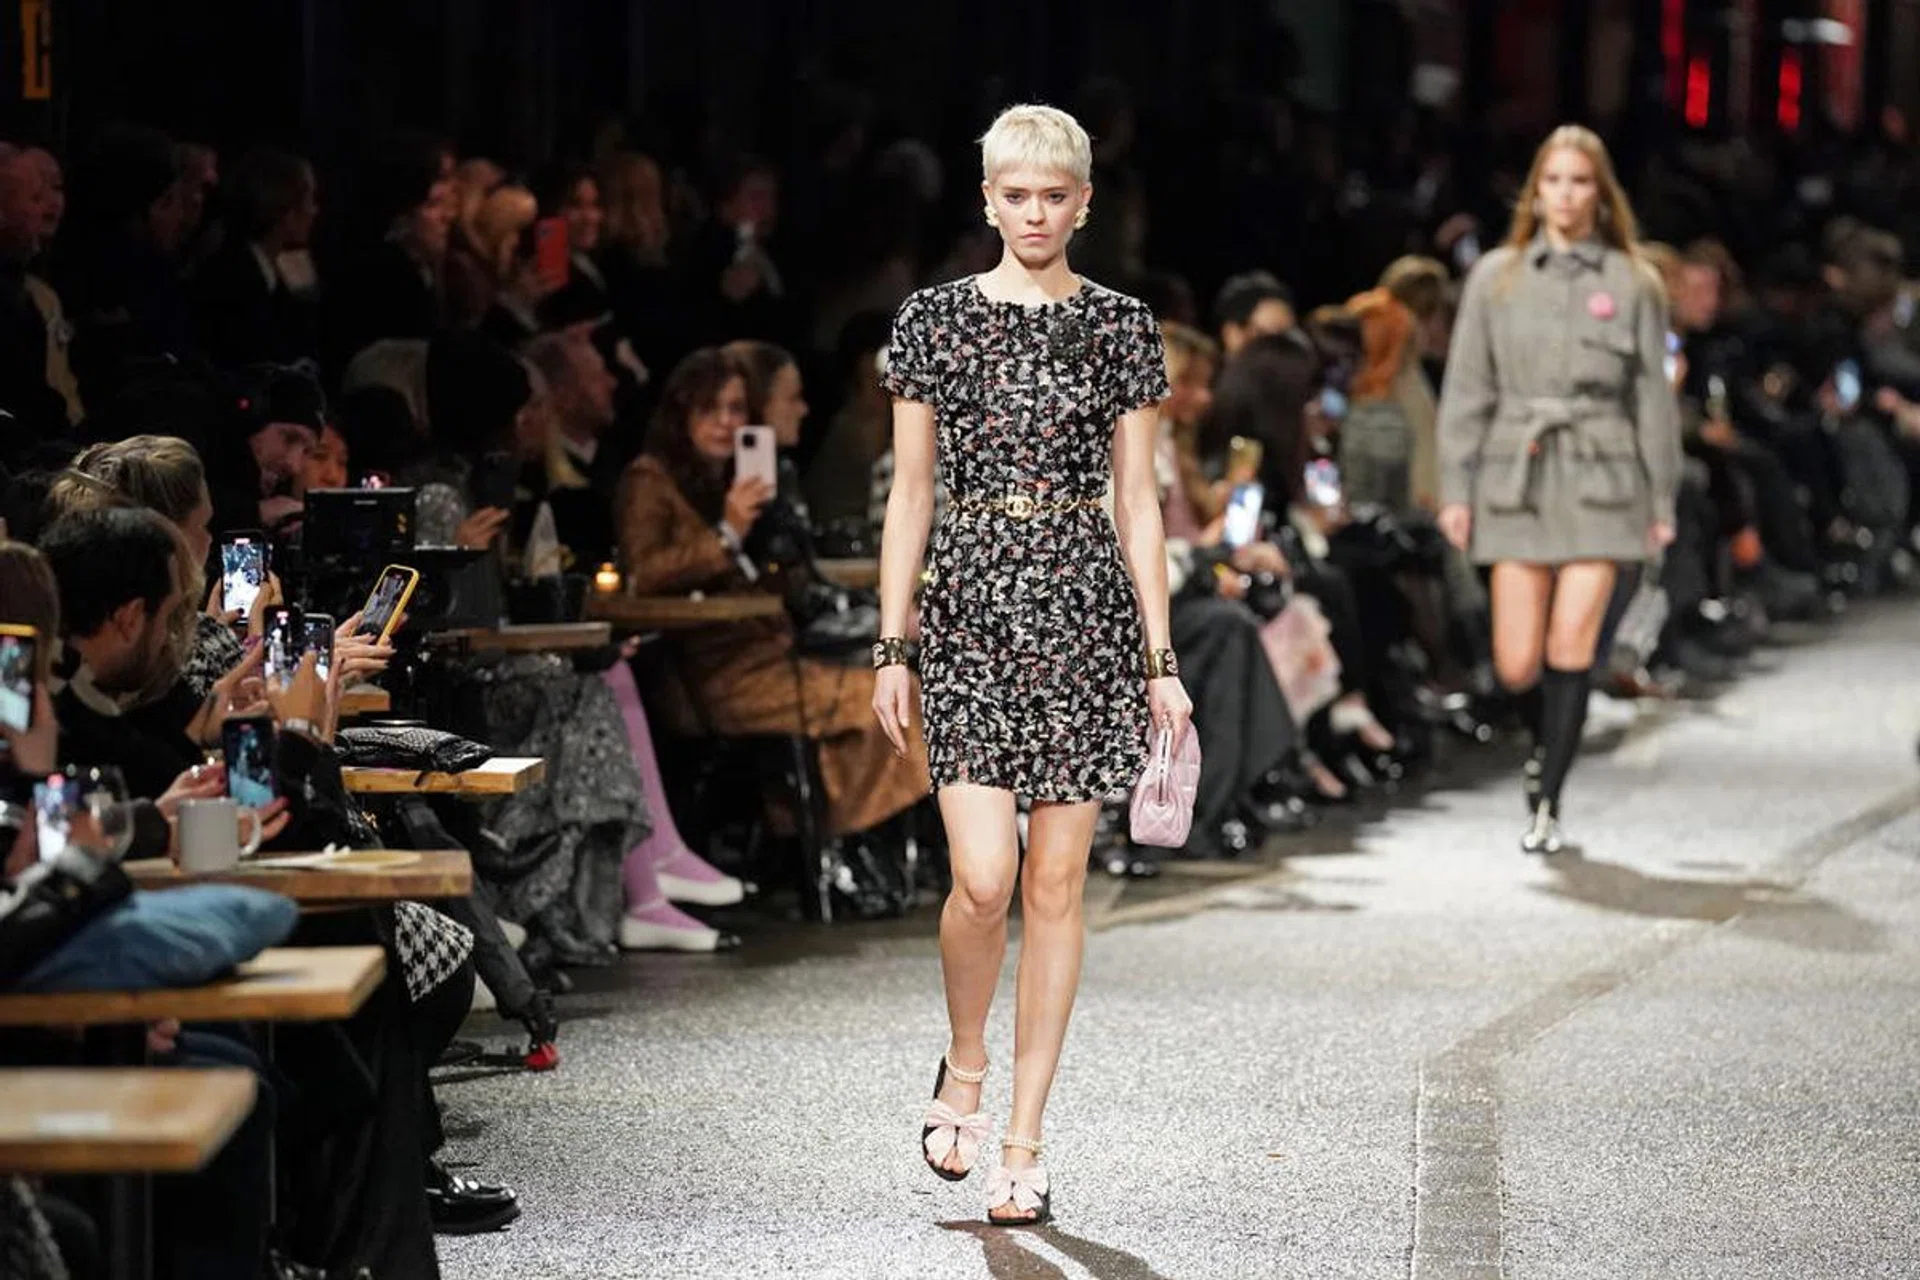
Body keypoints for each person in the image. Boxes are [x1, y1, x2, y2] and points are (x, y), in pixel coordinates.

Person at [873, 103, 1190, 1226]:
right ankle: (964, 1061)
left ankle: (1024, 1135)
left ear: (1084, 201)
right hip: (965, 606)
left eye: (1054, 194)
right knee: (983, 878)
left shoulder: (1119, 326)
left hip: (1083, 612)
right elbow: (910, 492)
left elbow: (1139, 503)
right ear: (989, 200)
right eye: (1016, 193)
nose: (1036, 211)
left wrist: (1159, 654)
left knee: (1056, 884)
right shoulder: (933, 323)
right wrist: (892, 641)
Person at [1436, 124, 1680, 854]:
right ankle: (1544, 739)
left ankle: (1549, 796)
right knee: (1517, 661)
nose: (1566, 195)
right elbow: (1467, 389)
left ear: (1600, 195)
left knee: (1573, 643)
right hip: (1519, 473)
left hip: (1606, 476)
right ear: (1534, 190)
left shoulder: (1635, 281)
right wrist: (1457, 487)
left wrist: (1661, 501)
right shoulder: (1496, 278)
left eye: (1580, 182)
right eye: (1553, 181)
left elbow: (1653, 402)